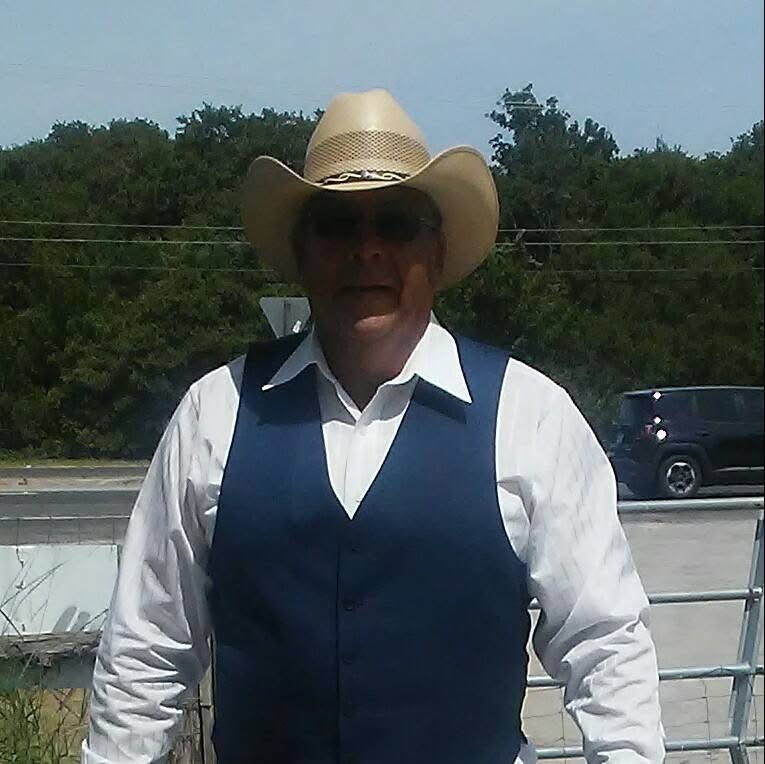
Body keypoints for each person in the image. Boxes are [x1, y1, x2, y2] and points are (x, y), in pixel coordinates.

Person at [83, 89, 664, 763]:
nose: (367, 250)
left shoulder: (530, 415)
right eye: (336, 224)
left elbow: (604, 642)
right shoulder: (215, 413)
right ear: (301, 251)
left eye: (396, 223)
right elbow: (146, 649)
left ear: (436, 251)